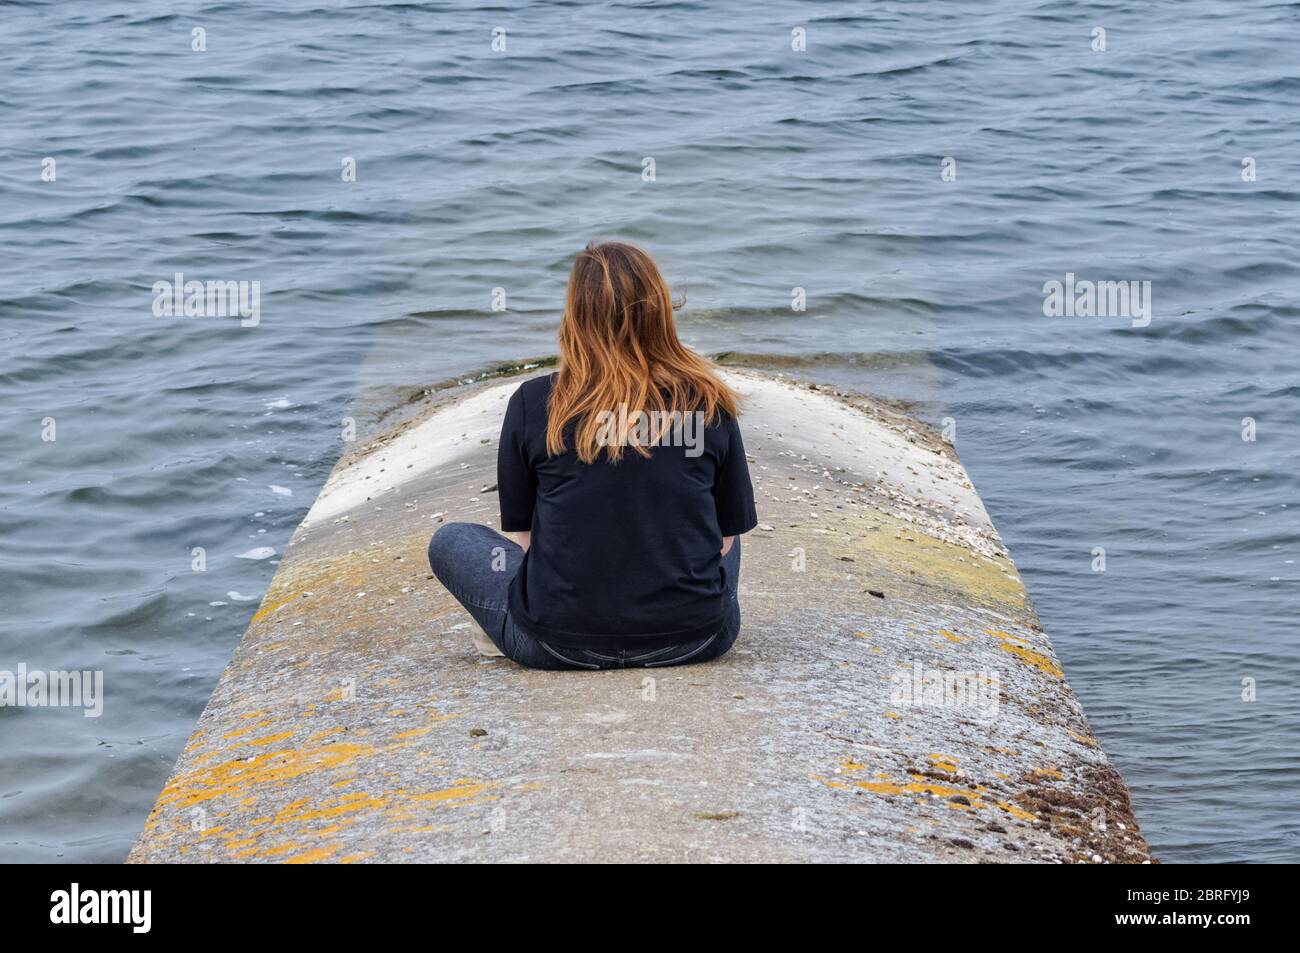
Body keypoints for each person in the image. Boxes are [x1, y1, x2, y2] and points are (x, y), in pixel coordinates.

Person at [428, 241, 758, 670]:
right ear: (661, 310)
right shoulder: (708, 400)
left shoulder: (534, 402)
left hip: (557, 646)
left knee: (451, 539)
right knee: (716, 524)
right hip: (695, 640)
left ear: (575, 314)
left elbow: (527, 543)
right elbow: (726, 539)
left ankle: (508, 627)